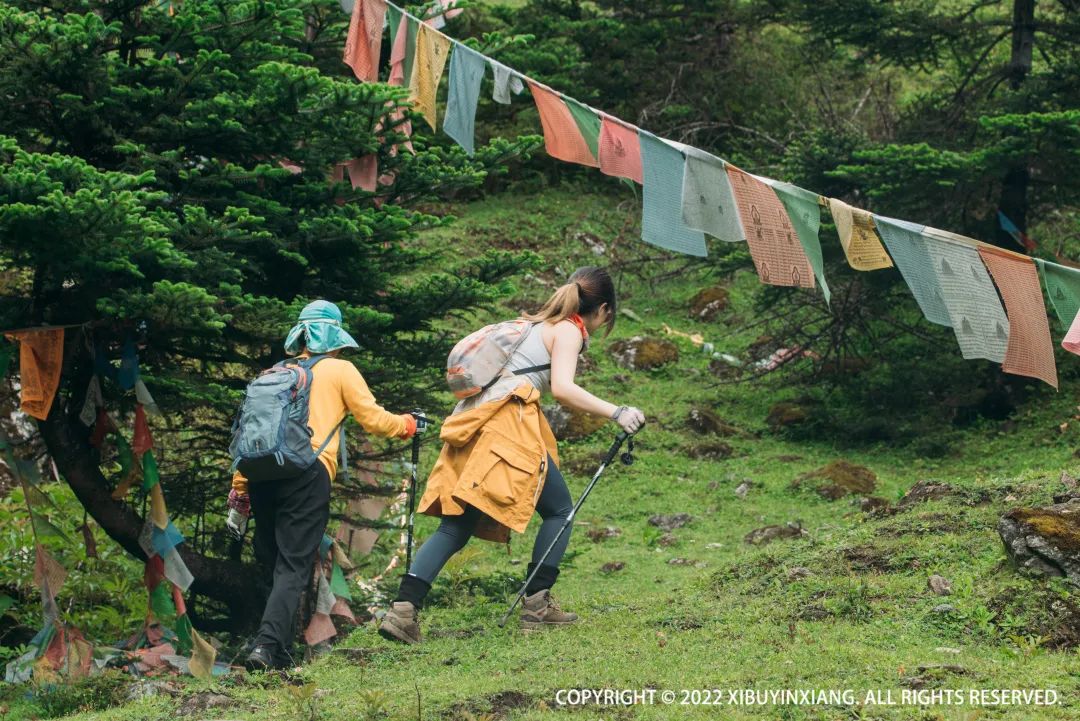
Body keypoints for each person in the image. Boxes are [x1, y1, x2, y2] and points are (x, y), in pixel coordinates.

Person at [378, 266, 646, 644]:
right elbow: (564, 389)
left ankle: (403, 611)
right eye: (607, 319)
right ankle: (537, 605)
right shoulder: (568, 330)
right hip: (507, 426)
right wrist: (617, 411)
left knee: (457, 525)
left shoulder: (536, 326)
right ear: (602, 309)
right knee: (559, 511)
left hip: (475, 419)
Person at [227, 300, 418, 670]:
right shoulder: (340, 369)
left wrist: (242, 487)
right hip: (307, 473)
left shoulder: (277, 370)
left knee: (274, 562)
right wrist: (408, 424)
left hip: (262, 476)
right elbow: (374, 419)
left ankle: (276, 650)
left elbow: (250, 434)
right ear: (335, 335)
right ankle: (266, 647)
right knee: (294, 565)